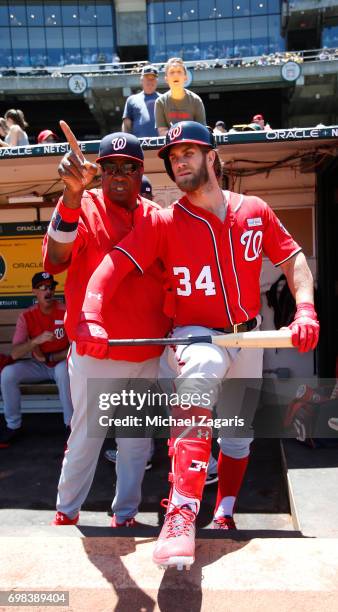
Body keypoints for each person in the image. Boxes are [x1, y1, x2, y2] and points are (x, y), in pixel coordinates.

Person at [77, 121, 319, 569]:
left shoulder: (255, 209)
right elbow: (112, 264)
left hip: (249, 334)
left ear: (212, 156)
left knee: (239, 436)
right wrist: (91, 312)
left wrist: (304, 308)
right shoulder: (167, 221)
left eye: (188, 151)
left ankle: (224, 512)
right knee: (198, 380)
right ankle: (182, 511)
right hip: (197, 334)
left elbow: (293, 258)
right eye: (172, 155)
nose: (178, 160)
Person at [43, 123, 171, 527]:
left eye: (127, 167)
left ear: (140, 172)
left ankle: (126, 515)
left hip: (146, 354)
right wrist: (71, 194)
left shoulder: (158, 218)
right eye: (110, 166)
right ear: (99, 171)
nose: (118, 174)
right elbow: (56, 260)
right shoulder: (85, 205)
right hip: (97, 352)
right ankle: (67, 511)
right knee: (87, 437)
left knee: (137, 445)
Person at [0, 272, 73, 448]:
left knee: (63, 371)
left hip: (60, 363)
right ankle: (13, 426)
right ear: (34, 291)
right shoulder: (27, 316)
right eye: (42, 287)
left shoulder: (65, 311)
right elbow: (15, 353)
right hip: (39, 365)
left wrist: (51, 356)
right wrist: (35, 341)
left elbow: (76, 347)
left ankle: (71, 427)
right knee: (8, 373)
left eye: (51, 287)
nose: (48, 291)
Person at [155, 57, 206, 136]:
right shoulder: (160, 102)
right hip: (172, 146)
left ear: (185, 77)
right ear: (166, 79)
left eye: (179, 71)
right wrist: (179, 137)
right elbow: (162, 132)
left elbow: (202, 130)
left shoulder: (196, 100)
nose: (176, 74)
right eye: (172, 72)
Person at [122, 65, 159, 138]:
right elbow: (126, 125)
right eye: (147, 78)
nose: (150, 81)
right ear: (141, 80)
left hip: (160, 144)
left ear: (157, 81)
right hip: (139, 145)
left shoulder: (164, 99)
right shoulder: (132, 99)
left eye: (153, 78)